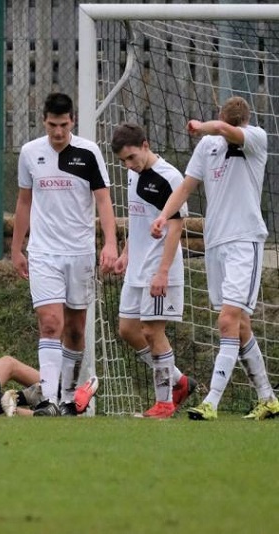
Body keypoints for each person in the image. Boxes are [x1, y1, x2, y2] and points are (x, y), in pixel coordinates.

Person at [151, 96, 279, 421]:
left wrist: (200, 125)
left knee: (227, 321)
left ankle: (211, 402)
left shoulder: (256, 139)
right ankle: (268, 398)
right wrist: (164, 216)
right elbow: (185, 187)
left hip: (244, 241)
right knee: (241, 325)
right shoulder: (208, 146)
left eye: (225, 127)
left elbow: (223, 128)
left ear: (240, 123)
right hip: (215, 244)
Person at [10, 92, 115, 414]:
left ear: (73, 121)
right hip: (43, 252)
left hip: (80, 253)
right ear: (44, 121)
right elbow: (24, 202)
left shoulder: (88, 152)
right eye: (53, 125)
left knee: (75, 329)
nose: (58, 132)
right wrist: (17, 247)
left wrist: (110, 242)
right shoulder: (30, 153)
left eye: (64, 125)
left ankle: (70, 396)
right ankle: (49, 399)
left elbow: (103, 200)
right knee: (50, 323)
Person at [110, 123, 197, 418]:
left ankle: (164, 403)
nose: (129, 165)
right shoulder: (133, 174)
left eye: (132, 157)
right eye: (123, 161)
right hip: (136, 266)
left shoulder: (169, 177)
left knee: (151, 330)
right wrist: (125, 254)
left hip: (159, 268)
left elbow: (175, 228)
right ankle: (178, 381)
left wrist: (162, 272)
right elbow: (138, 221)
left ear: (146, 145)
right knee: (128, 329)